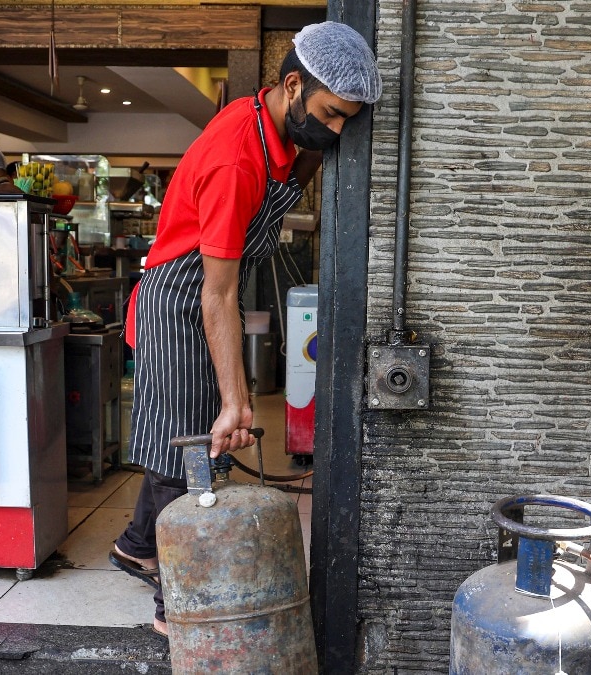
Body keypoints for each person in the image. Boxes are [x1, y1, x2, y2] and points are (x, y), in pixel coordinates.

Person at [107, 21, 382, 637]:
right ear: (291, 85)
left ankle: (133, 544)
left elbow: (296, 167)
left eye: (346, 121)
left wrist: (321, 141)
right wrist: (237, 402)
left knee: (187, 438)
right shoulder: (237, 158)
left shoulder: (271, 123)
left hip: (201, 292)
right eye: (331, 115)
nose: (336, 130)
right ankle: (175, 600)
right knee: (189, 442)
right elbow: (218, 293)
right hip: (181, 300)